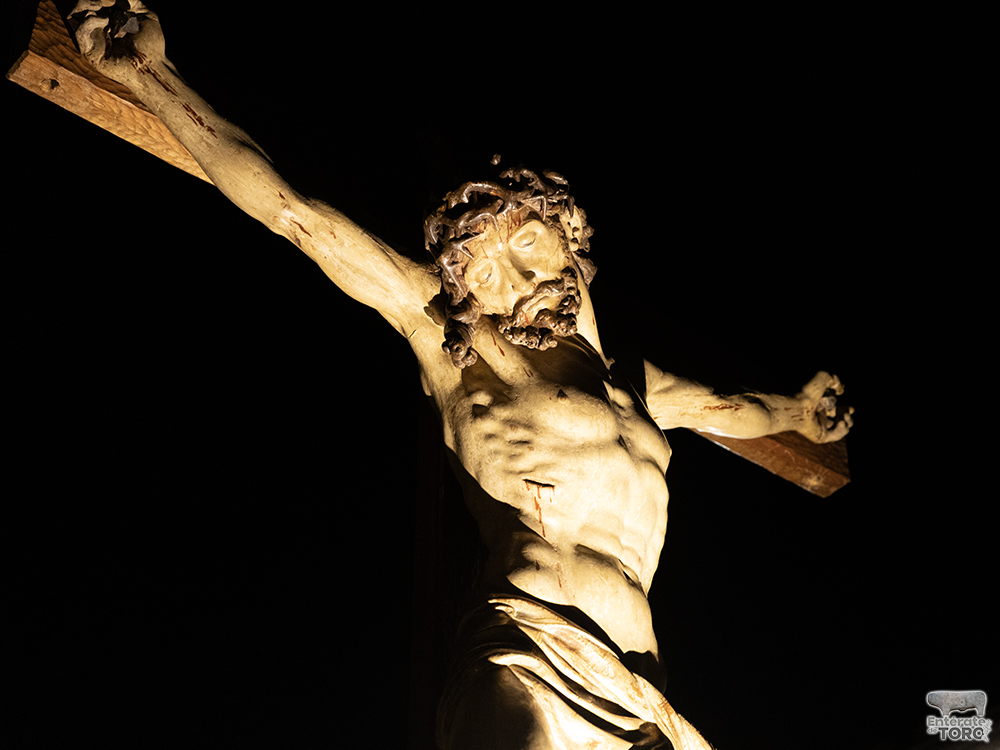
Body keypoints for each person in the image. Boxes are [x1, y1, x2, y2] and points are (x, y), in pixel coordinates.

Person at [70, 2, 852, 747]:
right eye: (488, 273)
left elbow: (734, 408)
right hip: (527, 657)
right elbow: (295, 213)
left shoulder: (639, 387)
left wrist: (795, 411)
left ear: (566, 228)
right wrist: (150, 78)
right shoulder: (464, 352)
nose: (516, 278)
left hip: (645, 692)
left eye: (526, 243)